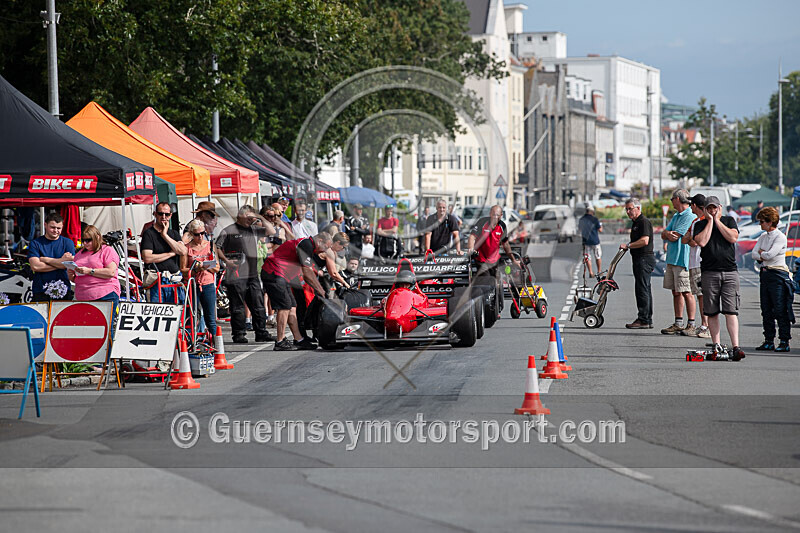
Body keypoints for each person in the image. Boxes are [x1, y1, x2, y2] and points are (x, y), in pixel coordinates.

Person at [693, 195, 745, 361]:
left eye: (715, 208)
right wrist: (709, 222)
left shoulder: (729, 221)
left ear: (720, 208)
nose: (712, 211)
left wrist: (717, 221)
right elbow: (701, 242)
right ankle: (716, 344)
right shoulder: (700, 224)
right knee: (712, 311)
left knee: (731, 311)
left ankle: (735, 346)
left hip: (729, 271)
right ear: (705, 210)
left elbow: (732, 237)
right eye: (709, 208)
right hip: (709, 272)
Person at [261, 232, 332, 351]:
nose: (324, 251)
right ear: (319, 241)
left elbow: (308, 271)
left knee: (292, 306)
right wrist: (320, 290)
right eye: (325, 247)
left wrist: (319, 289)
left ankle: (299, 339)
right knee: (284, 307)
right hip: (274, 273)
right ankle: (280, 341)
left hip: (283, 275)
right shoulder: (306, 244)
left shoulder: (309, 246)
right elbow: (307, 273)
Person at [216, 205, 274, 344]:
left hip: (252, 274)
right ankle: (238, 334)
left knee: (258, 305)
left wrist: (259, 217)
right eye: (247, 217)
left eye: (251, 217)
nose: (250, 220)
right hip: (235, 274)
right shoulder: (229, 230)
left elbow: (271, 230)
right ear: (239, 216)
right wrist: (226, 261)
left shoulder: (254, 229)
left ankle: (261, 332)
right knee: (238, 307)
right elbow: (216, 247)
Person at [752, 207, 794, 352]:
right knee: (766, 309)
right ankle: (769, 339)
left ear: (770, 222)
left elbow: (770, 255)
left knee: (780, 308)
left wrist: (762, 253)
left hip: (778, 275)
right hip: (765, 274)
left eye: (762, 221)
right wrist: (763, 254)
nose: (760, 224)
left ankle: (784, 340)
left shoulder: (780, 237)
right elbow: (754, 254)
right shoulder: (763, 237)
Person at [660, 190, 697, 335]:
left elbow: (675, 236)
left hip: (683, 260)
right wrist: (668, 234)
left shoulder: (689, 215)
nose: (671, 202)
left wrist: (668, 234)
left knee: (687, 292)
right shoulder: (676, 216)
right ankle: (678, 322)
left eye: (672, 199)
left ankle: (691, 323)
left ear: (677, 199)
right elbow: (665, 233)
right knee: (675, 292)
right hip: (672, 259)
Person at [141, 203, 188, 303]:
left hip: (174, 279)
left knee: (177, 314)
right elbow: (147, 258)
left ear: (170, 215)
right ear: (155, 214)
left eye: (166, 214)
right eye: (160, 214)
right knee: (157, 313)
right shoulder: (148, 233)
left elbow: (183, 251)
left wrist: (165, 235)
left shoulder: (174, 234)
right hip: (156, 280)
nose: (163, 217)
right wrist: (171, 254)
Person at [181, 219, 220, 335]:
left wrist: (204, 265)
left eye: (203, 233)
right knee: (192, 315)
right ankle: (191, 342)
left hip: (207, 284)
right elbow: (183, 269)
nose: (200, 237)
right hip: (193, 284)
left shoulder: (210, 245)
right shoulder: (187, 248)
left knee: (210, 318)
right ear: (192, 234)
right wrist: (196, 269)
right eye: (197, 234)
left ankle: (215, 344)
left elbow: (217, 267)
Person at [621, 198, 655, 329]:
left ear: (638, 208)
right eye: (627, 209)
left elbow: (644, 241)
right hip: (639, 259)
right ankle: (646, 318)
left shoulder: (643, 222)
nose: (628, 211)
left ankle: (644, 319)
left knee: (642, 289)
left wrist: (628, 245)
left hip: (644, 258)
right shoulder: (635, 222)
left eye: (631, 209)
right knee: (644, 288)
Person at [28, 212, 76, 302]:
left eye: (59, 228)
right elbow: (35, 266)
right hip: (40, 290)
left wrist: (46, 259)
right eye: (53, 227)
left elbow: (69, 265)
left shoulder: (68, 242)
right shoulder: (35, 243)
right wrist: (61, 262)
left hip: (63, 289)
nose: (56, 231)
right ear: (45, 225)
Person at [681, 194, 711, 338]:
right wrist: (691, 239)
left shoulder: (706, 221)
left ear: (694, 205)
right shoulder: (695, 221)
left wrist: (691, 239)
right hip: (693, 263)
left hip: (701, 261)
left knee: (702, 295)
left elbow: (696, 241)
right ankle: (703, 324)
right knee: (699, 295)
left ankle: (706, 325)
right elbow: (685, 239)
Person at [69, 225, 120, 306]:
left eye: (88, 240)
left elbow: (111, 272)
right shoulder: (79, 254)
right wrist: (71, 275)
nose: (85, 243)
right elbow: (75, 279)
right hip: (82, 297)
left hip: (105, 295)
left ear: (97, 237)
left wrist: (90, 271)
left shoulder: (107, 250)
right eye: (83, 240)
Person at [578, 205, 603, 277]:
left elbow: (580, 230)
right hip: (595, 241)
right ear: (592, 212)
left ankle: (591, 272)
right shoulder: (595, 219)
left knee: (587, 257)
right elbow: (600, 230)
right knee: (598, 256)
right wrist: (601, 226)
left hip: (586, 241)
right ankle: (599, 271)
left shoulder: (581, 219)